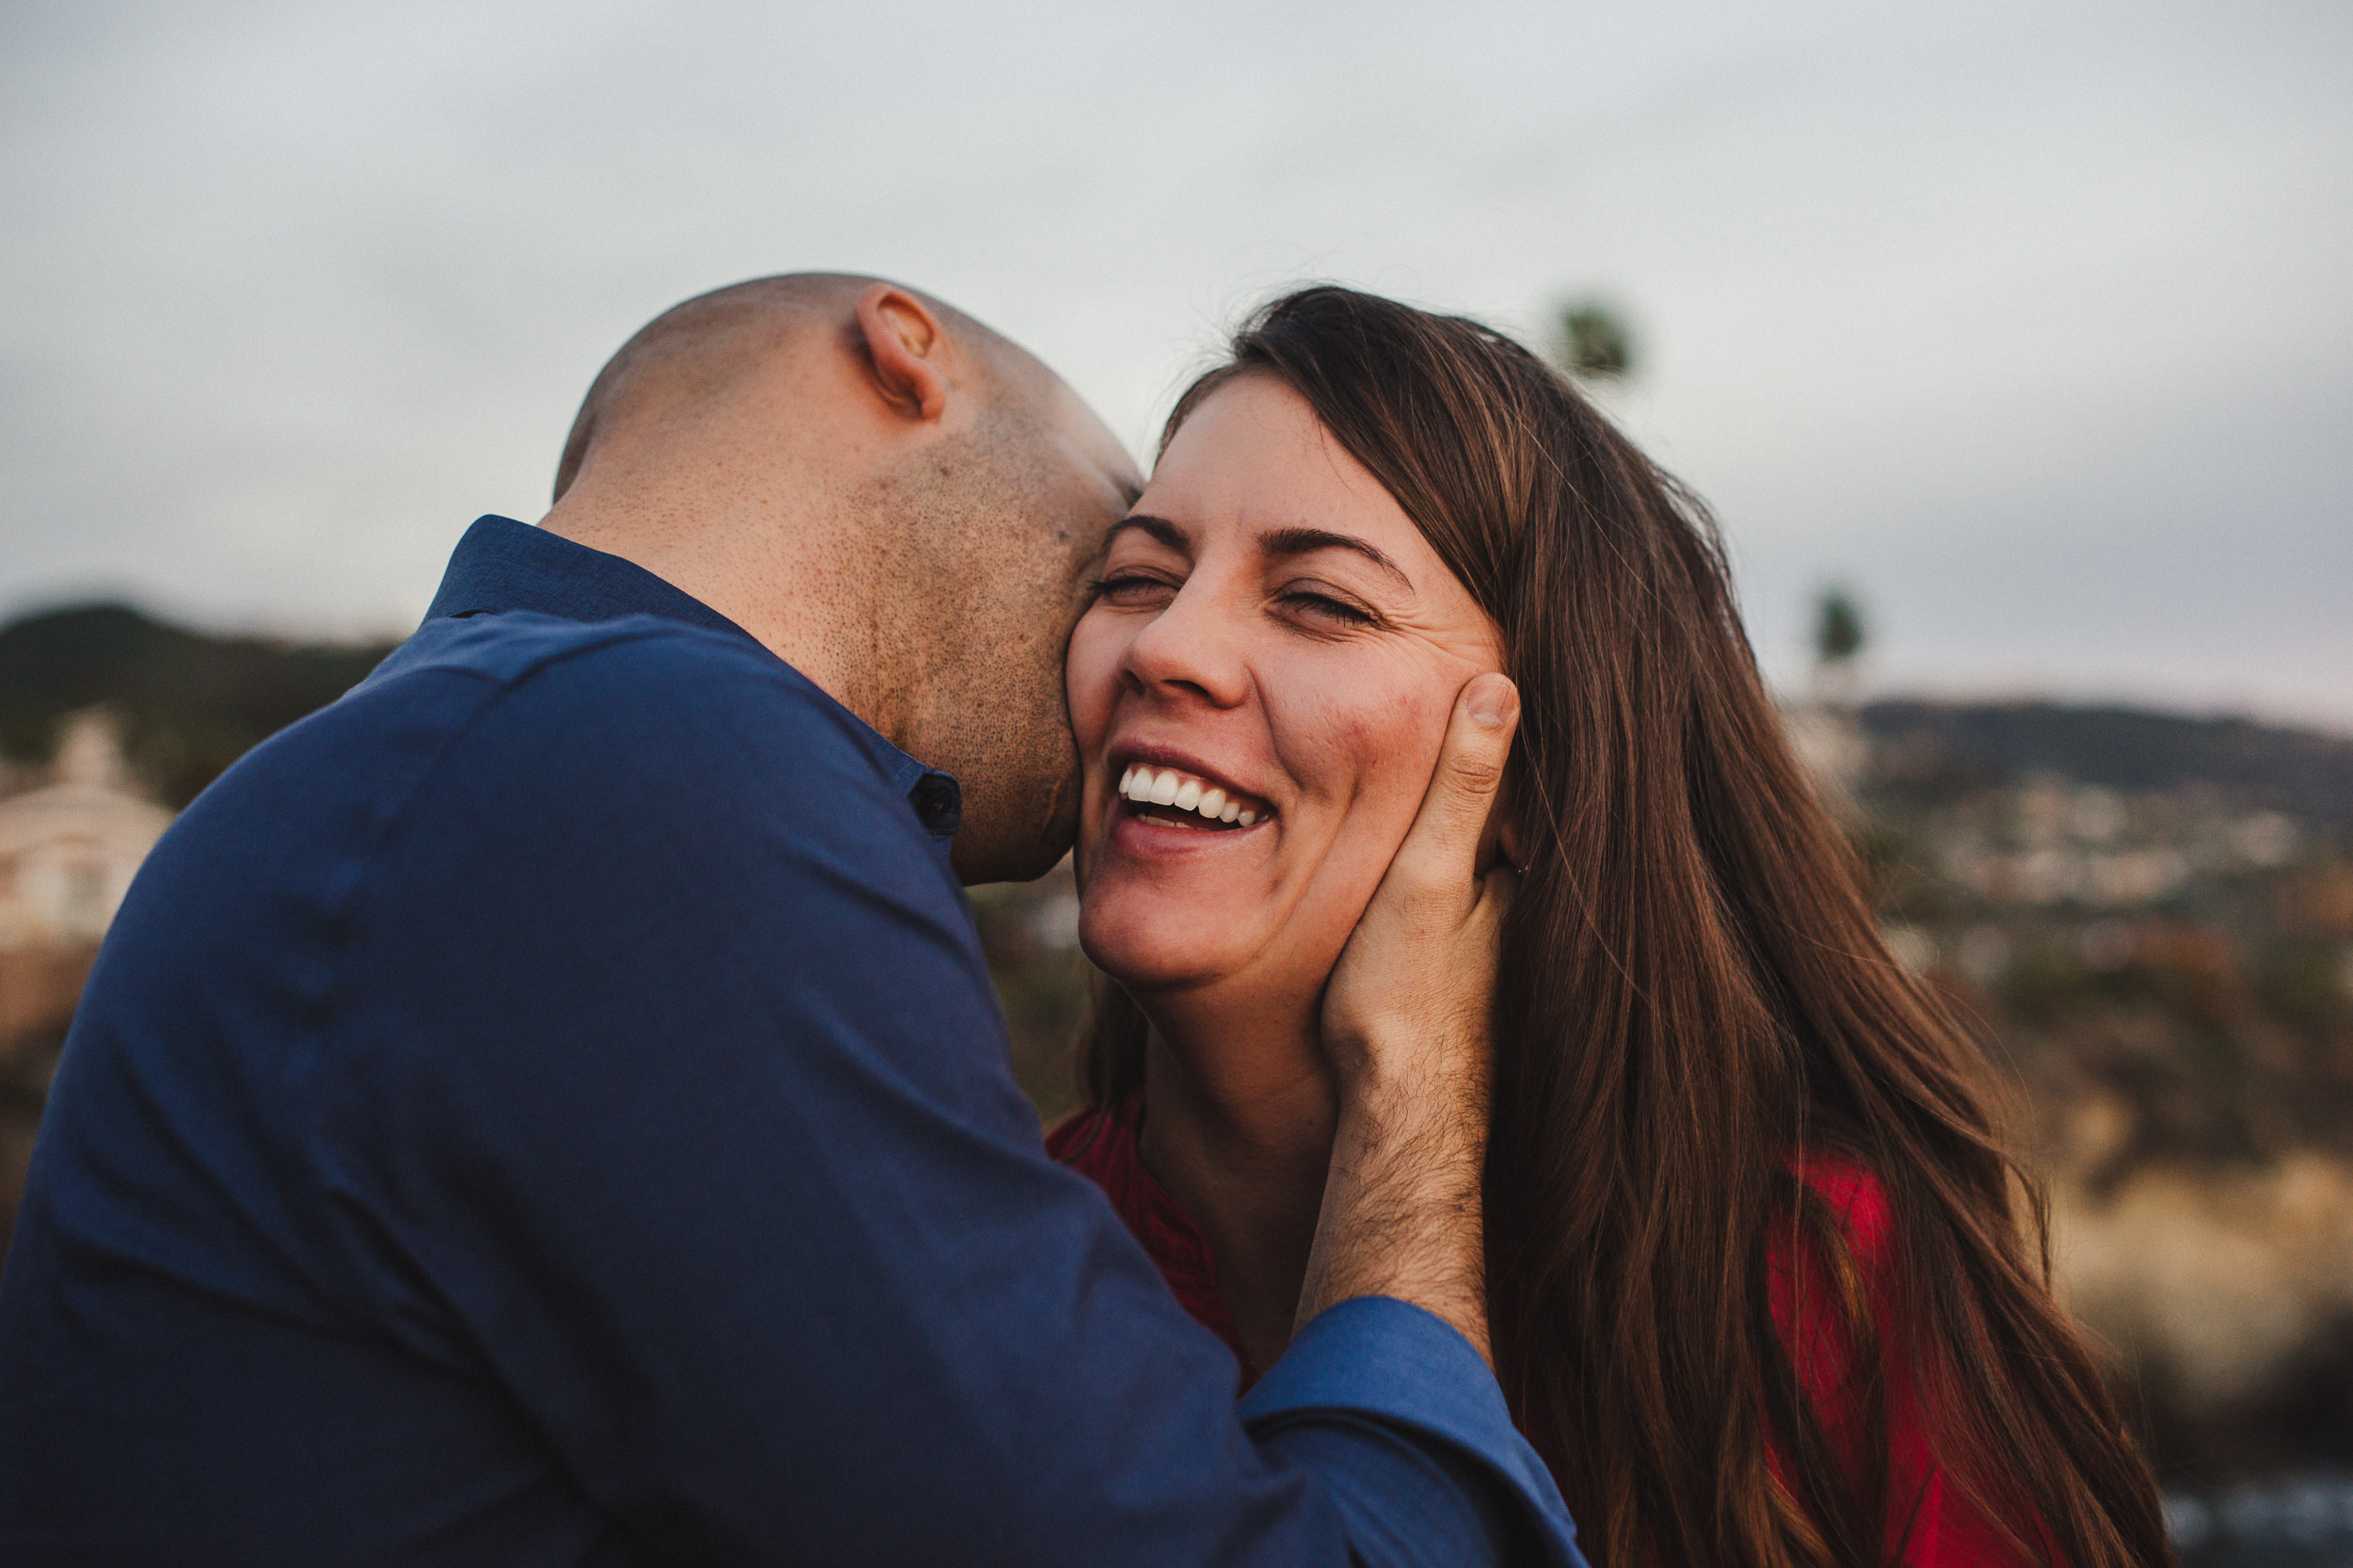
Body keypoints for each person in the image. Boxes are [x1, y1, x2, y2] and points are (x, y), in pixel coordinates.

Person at [0, 275, 1582, 1566]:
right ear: (907, 358)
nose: (1149, 648)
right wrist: (1419, 1101)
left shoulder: (462, 760)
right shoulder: (635, 757)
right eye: (1121, 553)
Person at [1052, 285, 2175, 1568]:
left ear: (1531, 768)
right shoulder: (980, 1270)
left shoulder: (1813, 1282)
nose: (1167, 646)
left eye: (1319, 602)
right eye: (1135, 579)